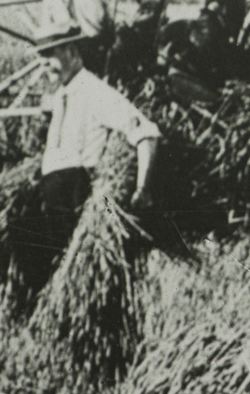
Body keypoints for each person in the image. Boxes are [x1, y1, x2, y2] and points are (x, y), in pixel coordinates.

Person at [31, 22, 161, 261]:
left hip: (72, 194)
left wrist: (143, 189)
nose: (43, 63)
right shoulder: (62, 94)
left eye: (49, 54)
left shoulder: (95, 91)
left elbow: (147, 133)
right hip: (53, 196)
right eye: (40, 56)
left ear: (71, 51)